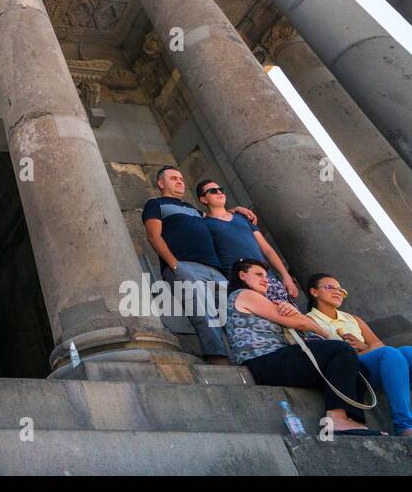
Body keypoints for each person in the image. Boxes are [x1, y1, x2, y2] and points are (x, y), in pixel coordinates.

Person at [305, 273, 412, 440]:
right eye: (330, 287)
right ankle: (405, 427)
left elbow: (378, 345)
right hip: (349, 373)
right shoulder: (308, 320)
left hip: (375, 366)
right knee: (390, 353)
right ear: (314, 292)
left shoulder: (352, 319)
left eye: (340, 289)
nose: (338, 292)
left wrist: (363, 346)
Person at [225, 259, 378, 435]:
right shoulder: (244, 294)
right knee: (341, 349)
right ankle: (336, 420)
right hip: (263, 361)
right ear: (242, 275)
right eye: (259, 275)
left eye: (267, 276)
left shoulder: (267, 301)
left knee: (359, 368)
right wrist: (319, 329)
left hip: (277, 360)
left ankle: (353, 422)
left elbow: (298, 320)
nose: (265, 279)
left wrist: (296, 315)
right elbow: (299, 323)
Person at [142, 166, 259, 364]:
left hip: (214, 269)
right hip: (184, 266)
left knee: (234, 312)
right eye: (173, 178)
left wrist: (235, 210)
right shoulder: (155, 204)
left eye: (181, 178)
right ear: (161, 183)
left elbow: (217, 216)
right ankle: (219, 361)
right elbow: (153, 235)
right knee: (203, 315)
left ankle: (246, 358)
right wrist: (175, 265)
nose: (180, 181)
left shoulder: (192, 209)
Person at [196, 178, 299, 303]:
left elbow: (267, 249)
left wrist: (285, 275)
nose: (219, 193)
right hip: (242, 285)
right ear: (203, 199)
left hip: (268, 279)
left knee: (292, 317)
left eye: (221, 190)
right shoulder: (204, 225)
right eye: (213, 191)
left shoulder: (241, 217)